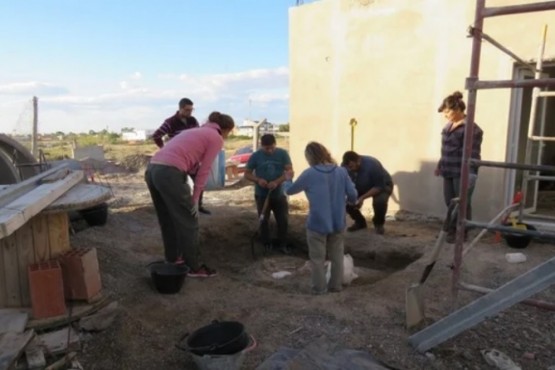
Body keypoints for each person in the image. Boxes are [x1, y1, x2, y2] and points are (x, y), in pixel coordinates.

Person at [144, 112, 235, 278]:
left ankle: (173, 260)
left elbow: (191, 162)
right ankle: (193, 267)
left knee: (167, 219)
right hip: (170, 173)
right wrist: (195, 200)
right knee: (189, 220)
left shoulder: (193, 131)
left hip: (152, 170)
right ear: (226, 129)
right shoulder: (216, 138)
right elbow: (204, 170)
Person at [284, 142, 357, 294]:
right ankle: (336, 286)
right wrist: (349, 200)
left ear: (309, 157)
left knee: (317, 259)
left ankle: (320, 289)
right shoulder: (341, 172)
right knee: (337, 256)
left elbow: (290, 191)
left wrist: (288, 179)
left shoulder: (309, 173)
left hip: (317, 223)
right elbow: (353, 194)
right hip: (338, 222)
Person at [435, 91, 483, 243]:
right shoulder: (448, 126)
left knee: (462, 203)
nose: (445, 115)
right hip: (448, 169)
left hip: (462, 172)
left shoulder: (472, 129)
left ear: (457, 110)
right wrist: (440, 164)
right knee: (449, 201)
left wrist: (471, 174)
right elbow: (445, 149)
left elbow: (472, 155)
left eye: (447, 112)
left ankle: (461, 232)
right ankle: (452, 229)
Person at [151, 98, 211, 215]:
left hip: (192, 158)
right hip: (177, 159)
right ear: (180, 108)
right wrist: (164, 149)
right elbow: (156, 135)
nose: (190, 112)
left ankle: (198, 205)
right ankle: (175, 209)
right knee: (176, 184)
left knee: (199, 181)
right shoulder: (170, 122)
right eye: (187, 110)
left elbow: (198, 136)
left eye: (191, 109)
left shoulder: (193, 120)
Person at [244, 134, 293, 254]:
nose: (270, 151)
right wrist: (258, 180)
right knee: (263, 220)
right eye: (267, 148)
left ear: (275, 144)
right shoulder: (255, 156)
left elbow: (290, 172)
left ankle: (283, 244)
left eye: (272, 147)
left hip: (279, 194)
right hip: (262, 195)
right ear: (262, 146)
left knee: (283, 220)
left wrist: (277, 182)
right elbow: (247, 173)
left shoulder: (283, 154)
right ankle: (266, 243)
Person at [341, 151, 393, 235]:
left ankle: (378, 224)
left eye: (351, 166)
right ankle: (360, 222)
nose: (350, 169)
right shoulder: (344, 167)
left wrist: (361, 198)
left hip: (382, 185)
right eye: (348, 167)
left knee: (380, 201)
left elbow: (379, 187)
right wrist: (351, 197)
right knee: (347, 201)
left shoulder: (372, 164)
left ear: (358, 161)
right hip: (360, 185)